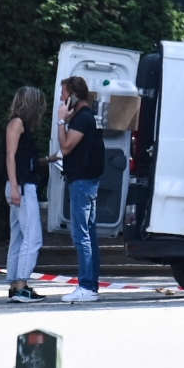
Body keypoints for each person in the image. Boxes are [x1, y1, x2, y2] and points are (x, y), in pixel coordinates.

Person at [2, 87, 56, 303]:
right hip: (22, 186)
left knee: (19, 237)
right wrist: (16, 186)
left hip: (18, 185)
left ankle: (16, 284)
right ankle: (23, 284)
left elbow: (21, 158)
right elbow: (11, 156)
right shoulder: (18, 124)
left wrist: (48, 159)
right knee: (32, 237)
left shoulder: (17, 124)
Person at [57, 76, 105, 303]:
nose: (61, 99)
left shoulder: (82, 119)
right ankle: (91, 285)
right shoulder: (86, 117)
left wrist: (60, 122)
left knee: (81, 235)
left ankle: (86, 285)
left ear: (74, 95)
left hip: (82, 182)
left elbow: (66, 147)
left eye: (64, 94)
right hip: (87, 181)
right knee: (89, 234)